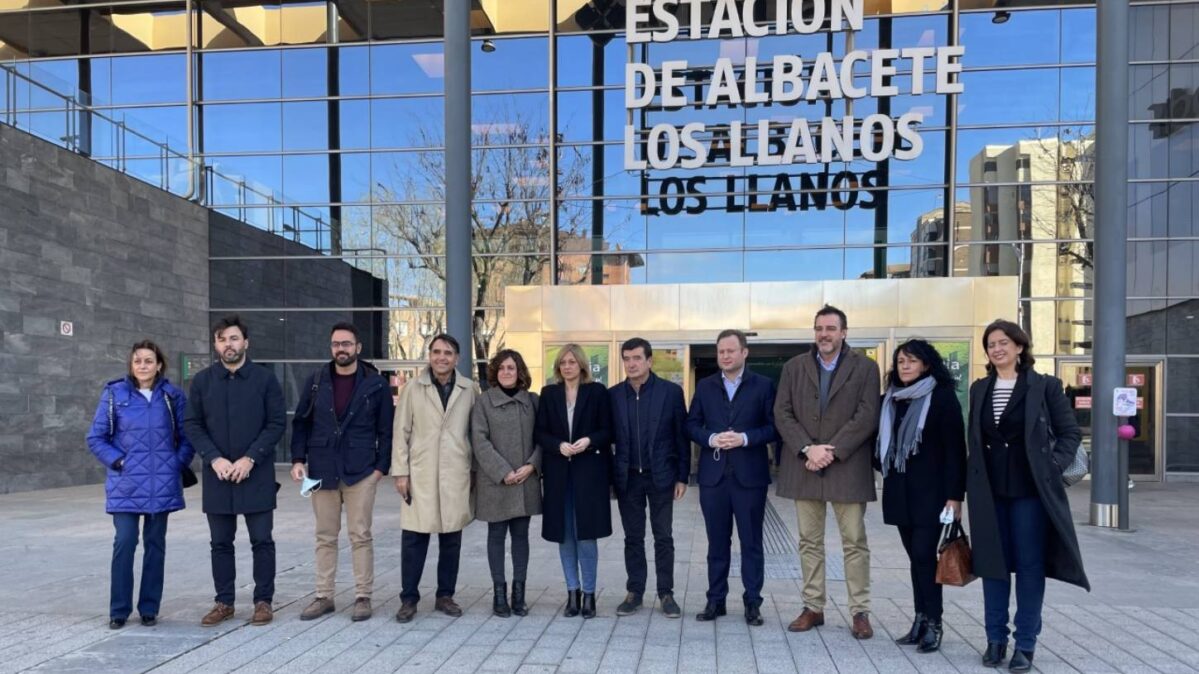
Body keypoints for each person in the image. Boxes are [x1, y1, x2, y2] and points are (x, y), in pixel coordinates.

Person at [968, 320, 1089, 672]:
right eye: (991, 344)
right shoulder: (980, 388)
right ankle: (994, 639)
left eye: (1004, 342)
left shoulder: (1045, 386)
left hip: (1031, 493)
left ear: (1020, 347)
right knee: (993, 566)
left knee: (1030, 567)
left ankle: (1025, 643)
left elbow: (1069, 433)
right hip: (989, 492)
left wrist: (1052, 466)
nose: (997, 349)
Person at [774, 305, 880, 639]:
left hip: (846, 467)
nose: (824, 334)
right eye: (819, 328)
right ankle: (813, 607)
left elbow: (866, 415)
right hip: (805, 466)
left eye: (831, 328)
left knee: (854, 542)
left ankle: (860, 611)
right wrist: (808, 448)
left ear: (844, 332)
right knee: (809, 542)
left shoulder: (866, 368)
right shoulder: (794, 367)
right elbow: (783, 412)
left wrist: (829, 451)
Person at [183, 314, 287, 627]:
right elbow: (192, 424)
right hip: (218, 476)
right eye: (222, 339)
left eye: (233, 338)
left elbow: (277, 423)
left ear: (245, 342)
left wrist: (250, 458)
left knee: (262, 541)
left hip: (255, 473)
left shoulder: (265, 379)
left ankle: (263, 601)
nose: (228, 345)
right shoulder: (203, 381)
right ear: (215, 345)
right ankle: (224, 602)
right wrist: (214, 459)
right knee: (220, 543)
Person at [87, 340, 195, 629]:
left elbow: (188, 437)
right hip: (126, 484)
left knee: (155, 545)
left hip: (162, 483)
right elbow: (96, 438)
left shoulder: (173, 396)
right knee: (124, 542)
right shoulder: (114, 394)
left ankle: (149, 608)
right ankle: (118, 610)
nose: (143, 365)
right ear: (131, 365)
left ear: (159, 364)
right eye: (138, 361)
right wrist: (119, 462)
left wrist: (176, 464)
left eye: (149, 360)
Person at [290, 322, 394, 622]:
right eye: (336, 344)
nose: (341, 349)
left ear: (358, 348)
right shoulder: (315, 381)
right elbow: (301, 424)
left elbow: (386, 431)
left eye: (347, 344)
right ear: (331, 348)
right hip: (320, 471)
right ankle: (324, 596)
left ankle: (363, 596)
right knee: (324, 536)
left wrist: (379, 470)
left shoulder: (375, 384)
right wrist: (298, 460)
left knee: (360, 535)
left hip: (361, 471)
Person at [876, 339, 966, 653]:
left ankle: (935, 623)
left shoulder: (941, 398)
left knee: (925, 558)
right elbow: (880, 448)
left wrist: (955, 497)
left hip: (932, 495)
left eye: (911, 360)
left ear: (926, 364)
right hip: (900, 492)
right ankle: (920, 618)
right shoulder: (890, 400)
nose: (904, 365)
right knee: (916, 560)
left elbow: (956, 450)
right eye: (900, 360)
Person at [686, 329, 778, 626]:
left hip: (750, 477)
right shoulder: (705, 386)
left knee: (751, 542)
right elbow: (691, 425)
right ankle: (716, 600)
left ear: (744, 352)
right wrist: (711, 438)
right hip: (713, 478)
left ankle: (753, 602)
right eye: (720, 351)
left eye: (730, 351)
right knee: (716, 543)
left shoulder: (763, 386)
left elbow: (774, 427)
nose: (724, 356)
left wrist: (745, 438)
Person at [391, 333, 477, 623]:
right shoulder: (413, 388)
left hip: (455, 472)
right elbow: (400, 432)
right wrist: (400, 471)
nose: (442, 357)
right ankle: (409, 598)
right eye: (437, 352)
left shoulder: (468, 389)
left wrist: (474, 470)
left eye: (448, 353)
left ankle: (445, 595)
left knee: (451, 538)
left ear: (457, 358)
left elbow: (474, 433)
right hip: (421, 473)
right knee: (414, 539)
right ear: (429, 355)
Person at [609, 337, 689, 619]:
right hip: (628, 478)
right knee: (633, 537)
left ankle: (666, 593)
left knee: (663, 536)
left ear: (649, 361)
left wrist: (683, 477)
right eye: (627, 359)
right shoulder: (614, 395)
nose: (631, 364)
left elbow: (682, 436)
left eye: (637, 358)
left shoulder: (670, 392)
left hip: (661, 476)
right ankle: (635, 592)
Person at [536, 343, 613, 619]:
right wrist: (558, 445)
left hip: (588, 472)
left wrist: (589, 441)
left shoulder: (597, 392)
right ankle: (572, 592)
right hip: (558, 474)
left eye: (571, 361)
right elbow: (540, 433)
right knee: (565, 535)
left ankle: (590, 594)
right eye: (562, 362)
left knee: (586, 535)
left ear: (581, 364)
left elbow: (608, 430)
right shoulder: (549, 393)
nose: (567, 366)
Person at [471, 349, 541, 618]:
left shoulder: (532, 401)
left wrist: (532, 465)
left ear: (520, 371)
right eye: (501, 368)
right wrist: (502, 471)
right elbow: (479, 440)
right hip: (495, 481)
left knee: (521, 538)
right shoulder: (484, 402)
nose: (506, 372)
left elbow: (543, 436)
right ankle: (499, 594)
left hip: (525, 480)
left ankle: (519, 593)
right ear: (495, 373)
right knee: (496, 537)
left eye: (511, 368)